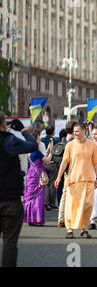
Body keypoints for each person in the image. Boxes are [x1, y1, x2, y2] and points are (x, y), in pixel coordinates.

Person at [0, 112, 39, 267]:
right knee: (9, 242)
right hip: (10, 199)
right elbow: (32, 145)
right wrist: (22, 130)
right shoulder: (8, 141)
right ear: (3, 123)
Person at [54, 123, 97, 239]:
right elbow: (64, 162)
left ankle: (83, 229)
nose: (75, 133)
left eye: (78, 131)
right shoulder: (70, 145)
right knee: (71, 205)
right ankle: (69, 229)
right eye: (74, 131)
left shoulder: (92, 145)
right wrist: (59, 177)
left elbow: (95, 162)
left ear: (84, 131)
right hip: (74, 179)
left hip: (88, 179)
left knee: (87, 206)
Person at [23, 131, 54, 226]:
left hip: (30, 176)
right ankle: (36, 220)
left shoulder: (28, 150)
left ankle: (31, 219)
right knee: (38, 198)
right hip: (37, 177)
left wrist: (48, 149)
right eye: (38, 138)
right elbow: (47, 160)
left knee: (31, 198)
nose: (39, 140)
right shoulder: (36, 151)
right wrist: (52, 150)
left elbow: (43, 157)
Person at [56, 121, 76, 228]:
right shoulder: (73, 141)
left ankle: (61, 218)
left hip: (65, 170)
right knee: (72, 194)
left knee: (64, 194)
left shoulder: (64, 139)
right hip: (72, 170)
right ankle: (69, 218)